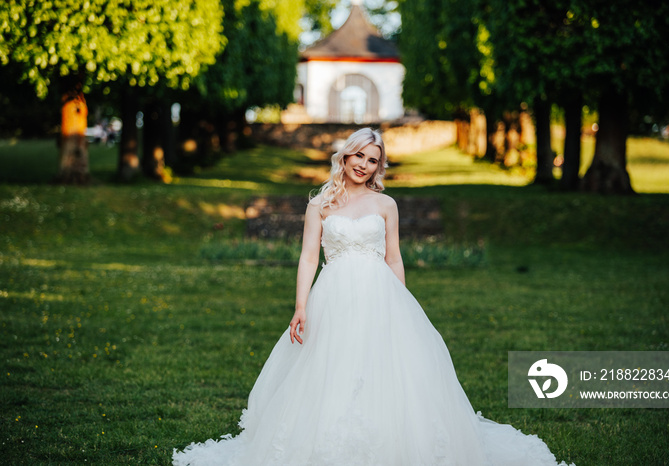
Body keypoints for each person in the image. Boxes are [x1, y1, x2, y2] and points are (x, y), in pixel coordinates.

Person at [173, 128, 572, 465]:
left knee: (386, 371)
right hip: (333, 295)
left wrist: (400, 307)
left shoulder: (386, 204)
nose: (364, 164)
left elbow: (394, 258)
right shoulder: (320, 205)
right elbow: (309, 257)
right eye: (358, 156)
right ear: (345, 157)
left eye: (373, 160)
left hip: (380, 294)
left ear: (379, 167)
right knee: (333, 367)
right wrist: (300, 307)